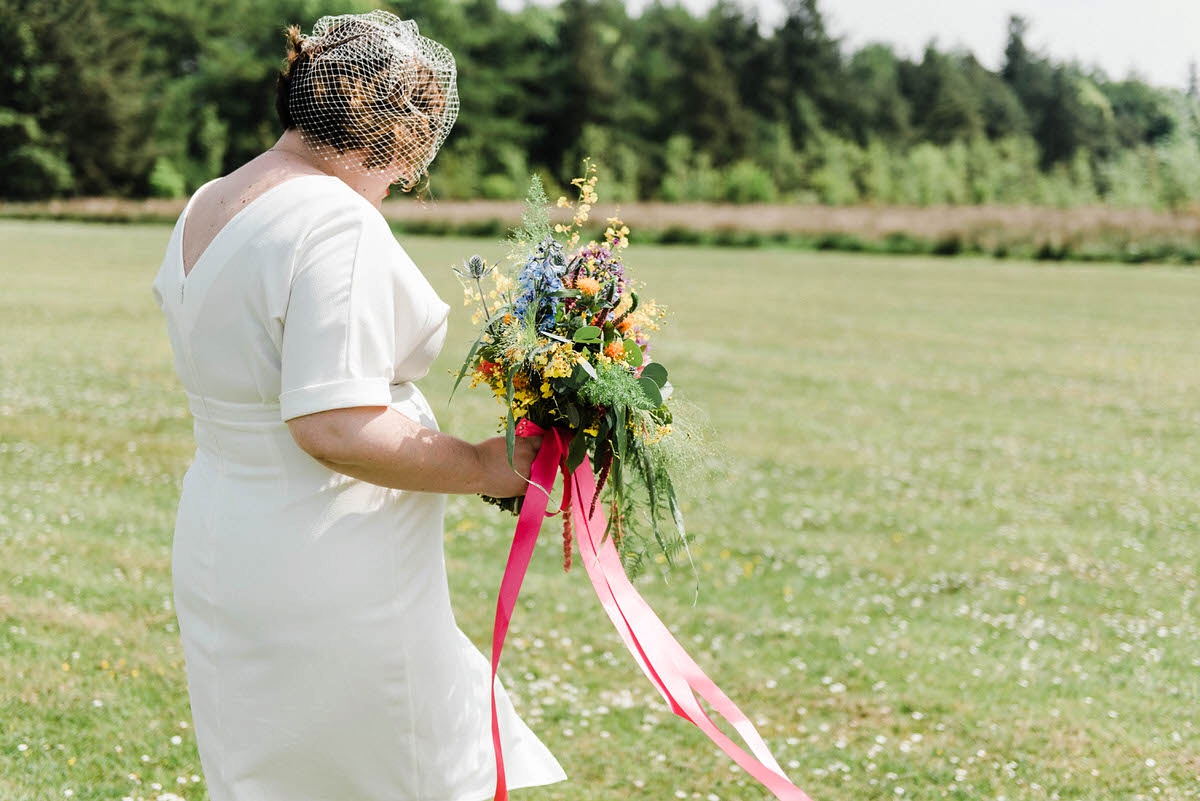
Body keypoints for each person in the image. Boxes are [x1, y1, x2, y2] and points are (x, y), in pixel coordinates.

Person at [149, 11, 566, 800]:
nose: (408, 179)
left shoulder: (211, 199)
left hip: (226, 540)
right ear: (390, 128)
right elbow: (333, 423)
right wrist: (484, 463)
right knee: (397, 772)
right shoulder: (333, 219)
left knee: (279, 774)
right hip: (330, 559)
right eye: (415, 150)